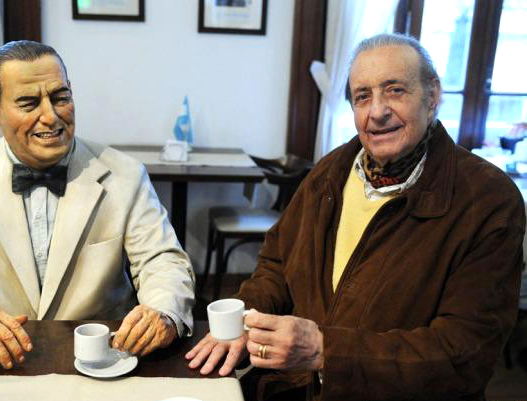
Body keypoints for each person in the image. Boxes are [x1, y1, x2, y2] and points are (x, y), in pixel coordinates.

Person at [186, 33, 525, 400]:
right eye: (363, 96)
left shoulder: (488, 199)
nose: (377, 111)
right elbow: (277, 266)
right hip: (293, 387)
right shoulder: (330, 172)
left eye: (395, 90)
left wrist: (324, 351)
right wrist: (246, 318)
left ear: (432, 96)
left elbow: (465, 355)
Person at [0, 41, 195, 371]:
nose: (51, 116)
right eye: (28, 103)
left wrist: (163, 310)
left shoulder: (125, 174)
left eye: (60, 97)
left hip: (104, 358)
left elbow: (162, 260)